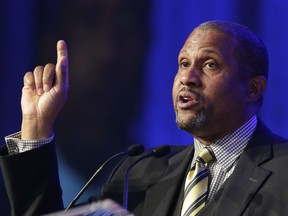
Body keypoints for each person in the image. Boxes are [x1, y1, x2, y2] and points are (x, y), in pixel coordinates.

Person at [1, 20, 288, 216]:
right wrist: (36, 128)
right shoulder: (137, 173)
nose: (187, 78)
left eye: (210, 65)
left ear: (253, 89)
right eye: (183, 64)